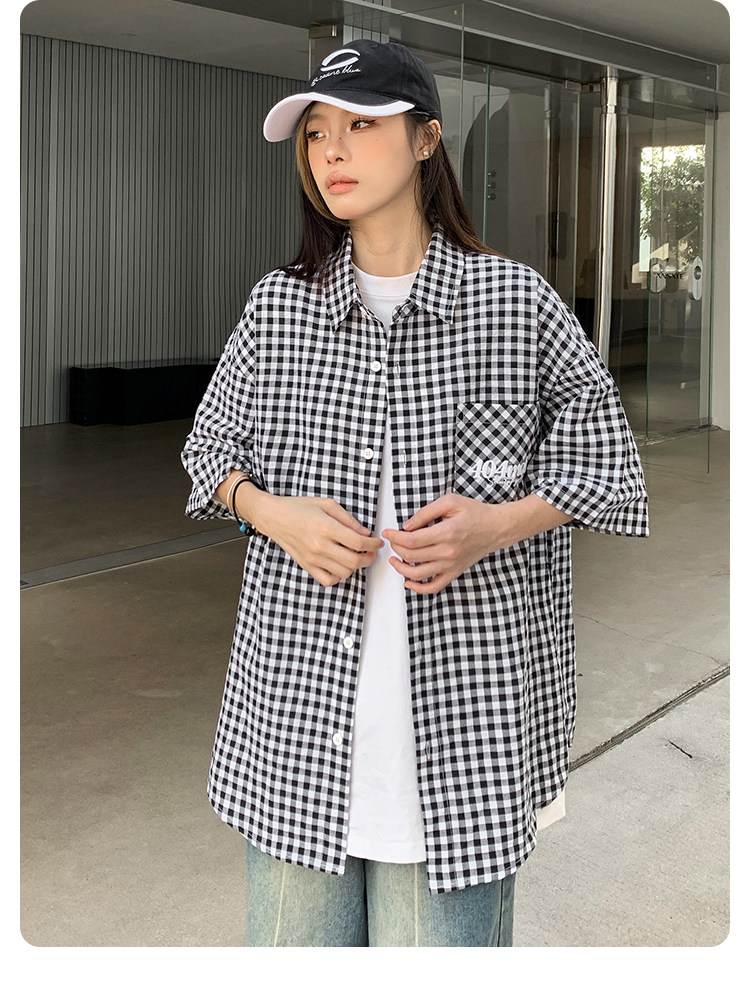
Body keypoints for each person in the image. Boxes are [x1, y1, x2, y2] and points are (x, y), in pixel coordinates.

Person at [181, 38, 649, 948]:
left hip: (464, 737)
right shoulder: (280, 307)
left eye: (360, 125)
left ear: (428, 139)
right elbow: (209, 451)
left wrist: (497, 524)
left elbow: (608, 462)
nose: (332, 150)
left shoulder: (513, 303)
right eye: (316, 132)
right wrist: (271, 512)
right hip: (296, 729)